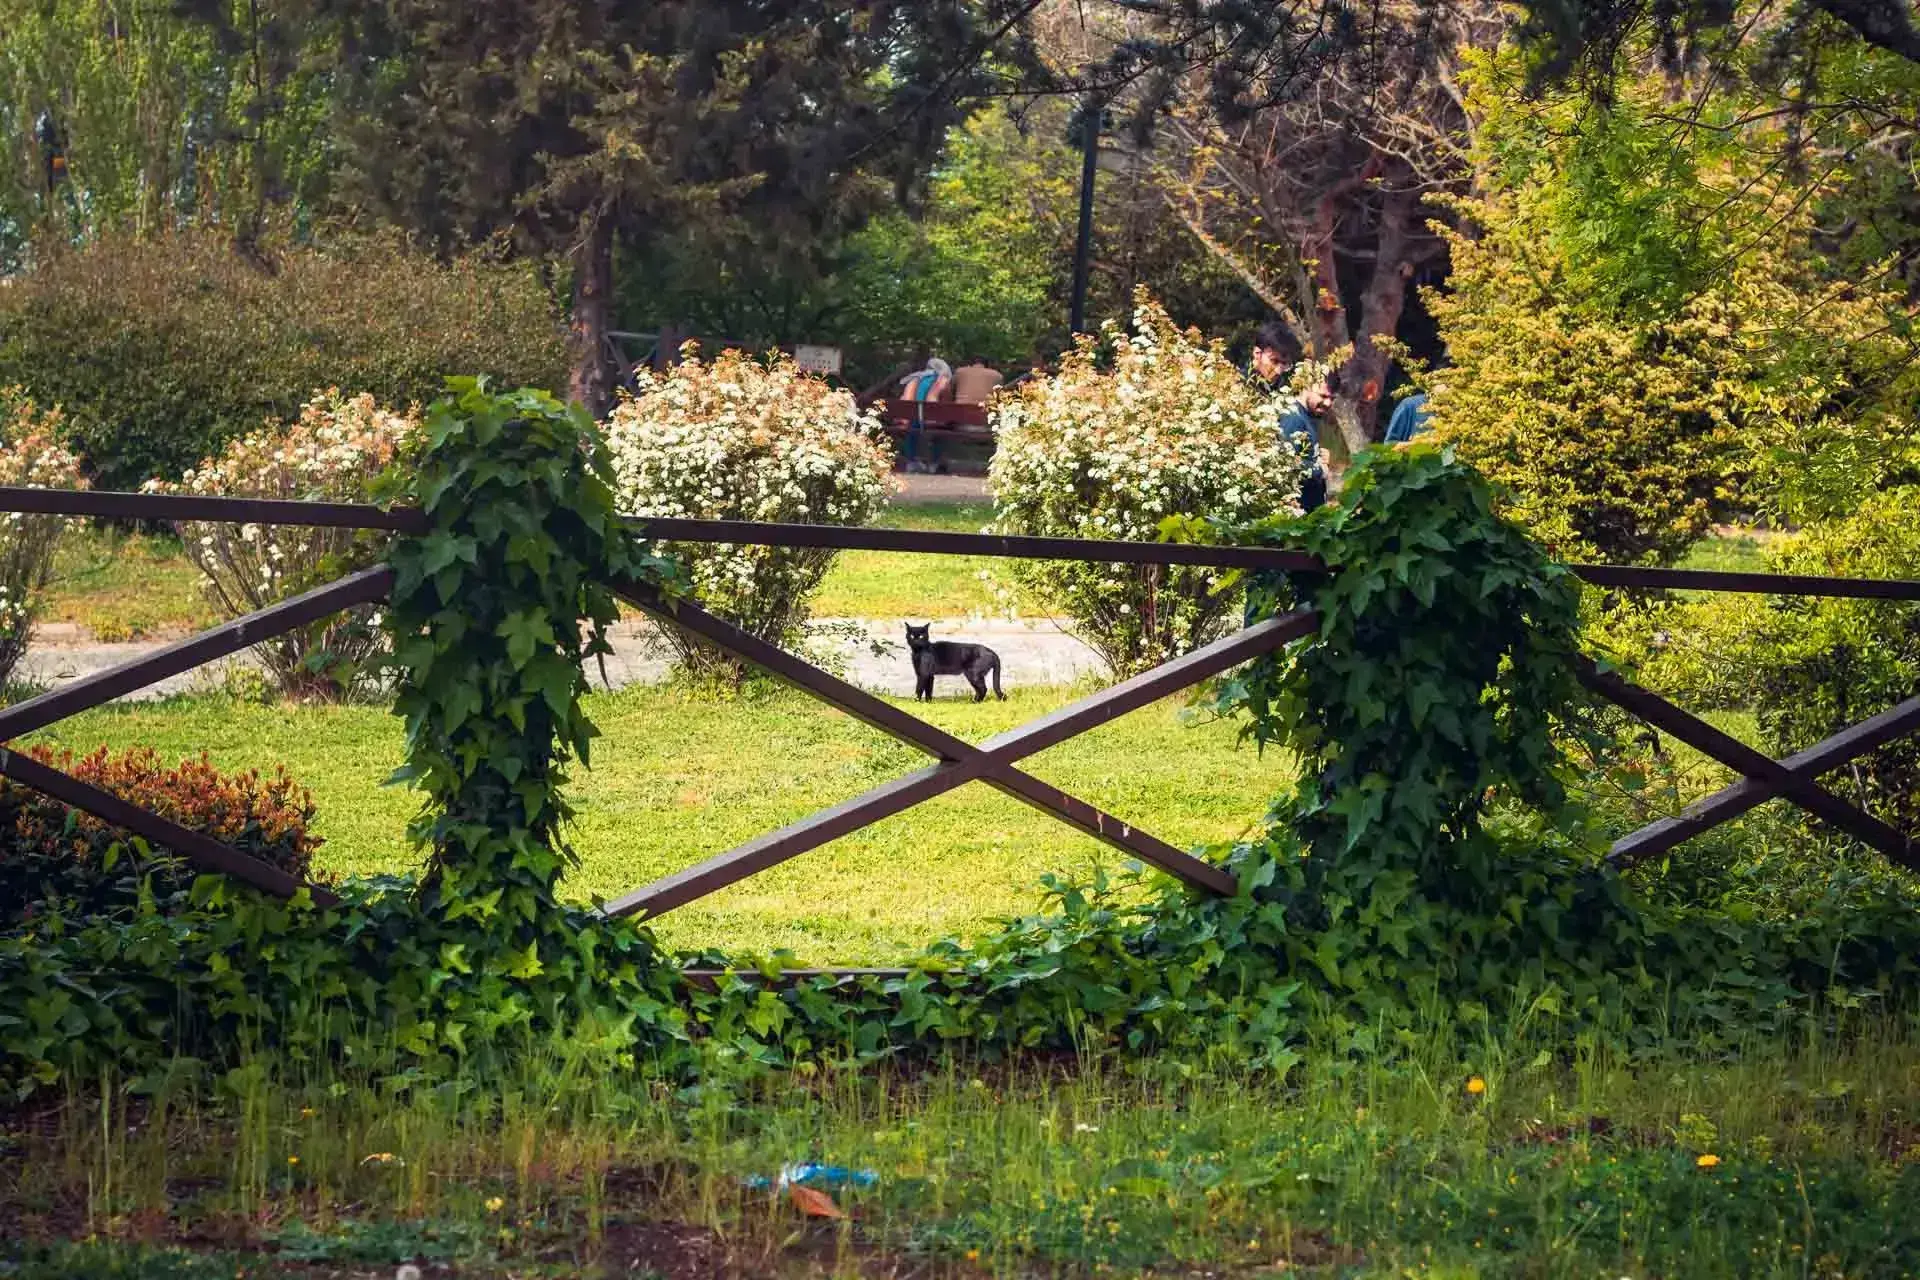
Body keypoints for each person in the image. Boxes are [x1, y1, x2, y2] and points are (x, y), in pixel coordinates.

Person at [1250, 322, 1330, 511]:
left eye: (1285, 364)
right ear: (1257, 354)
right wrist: (1318, 469)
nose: (1279, 370)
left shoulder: (1279, 392)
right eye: (1274, 361)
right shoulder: (1241, 387)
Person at [897, 357, 952, 473]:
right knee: (943, 427)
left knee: (912, 425)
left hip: (914, 420)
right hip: (930, 421)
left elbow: (906, 401)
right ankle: (935, 462)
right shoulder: (941, 380)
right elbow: (943, 402)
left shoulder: (916, 378)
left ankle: (911, 461)